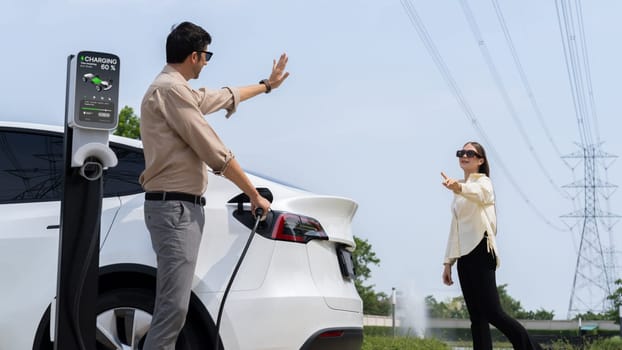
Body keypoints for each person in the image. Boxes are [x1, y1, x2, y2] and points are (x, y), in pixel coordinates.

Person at [138, 21, 289, 349]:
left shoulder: (176, 90)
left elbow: (221, 96)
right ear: (194, 56)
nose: (207, 62)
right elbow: (213, 150)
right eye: (206, 56)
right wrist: (252, 194)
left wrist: (267, 85)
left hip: (178, 208)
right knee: (172, 308)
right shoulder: (170, 90)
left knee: (173, 307)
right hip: (174, 209)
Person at [441, 141, 542, 350]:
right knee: (476, 317)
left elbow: (480, 194)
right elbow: (455, 228)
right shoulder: (459, 188)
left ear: (480, 160)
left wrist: (458, 187)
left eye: (470, 153)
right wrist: (448, 262)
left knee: (493, 312)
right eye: (461, 152)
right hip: (464, 256)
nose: (464, 155)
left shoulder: (483, 183)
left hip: (481, 250)